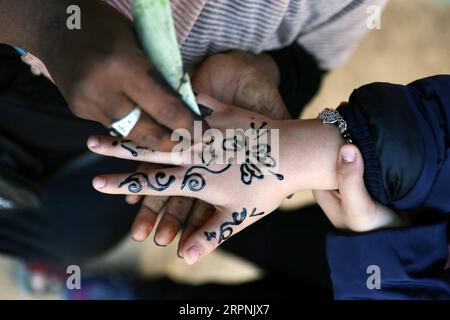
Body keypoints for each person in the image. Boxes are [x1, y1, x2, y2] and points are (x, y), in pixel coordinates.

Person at [0, 0, 383, 264]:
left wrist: (267, 71)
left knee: (75, 233)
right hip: (29, 68)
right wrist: (51, 25)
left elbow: (312, 55)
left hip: (162, 137)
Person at [91, 75, 450, 298]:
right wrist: (314, 148)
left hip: (385, 250)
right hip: (397, 217)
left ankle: (138, 295)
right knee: (256, 231)